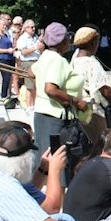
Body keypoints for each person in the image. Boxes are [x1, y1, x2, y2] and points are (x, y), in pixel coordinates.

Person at [31, 22, 89, 153]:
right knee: (58, 162)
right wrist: (77, 102)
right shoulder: (58, 60)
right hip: (55, 119)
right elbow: (50, 89)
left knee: (45, 158)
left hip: (41, 115)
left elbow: (30, 72)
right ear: (62, 41)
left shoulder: (45, 55)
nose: (70, 41)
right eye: (67, 38)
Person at [71, 26, 111, 153]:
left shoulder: (75, 60)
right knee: (104, 148)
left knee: (91, 146)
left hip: (81, 110)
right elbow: (104, 89)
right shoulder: (91, 63)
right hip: (95, 111)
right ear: (93, 43)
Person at [16, 19, 43, 109]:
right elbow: (23, 52)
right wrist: (35, 48)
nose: (33, 28)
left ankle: (34, 105)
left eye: (34, 27)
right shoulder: (23, 38)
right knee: (29, 86)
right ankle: (29, 106)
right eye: (31, 27)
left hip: (36, 62)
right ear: (26, 28)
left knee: (36, 86)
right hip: (28, 62)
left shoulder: (35, 37)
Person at [0, 15, 16, 99]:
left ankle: (7, 95)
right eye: (3, 25)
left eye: (5, 25)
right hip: (1, 58)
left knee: (8, 78)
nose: (4, 26)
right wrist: (7, 50)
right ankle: (4, 96)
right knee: (6, 77)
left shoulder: (6, 35)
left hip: (9, 58)